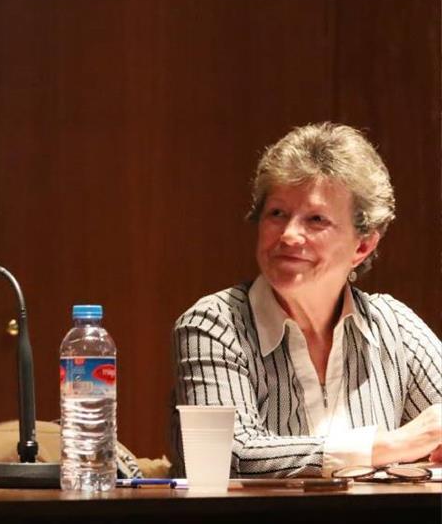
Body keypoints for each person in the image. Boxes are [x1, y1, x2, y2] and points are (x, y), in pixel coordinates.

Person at [172, 122, 442, 477]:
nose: (289, 235)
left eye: (315, 220)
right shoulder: (214, 324)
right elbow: (228, 455)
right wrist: (394, 445)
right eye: (277, 214)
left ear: (362, 246)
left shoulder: (394, 326)